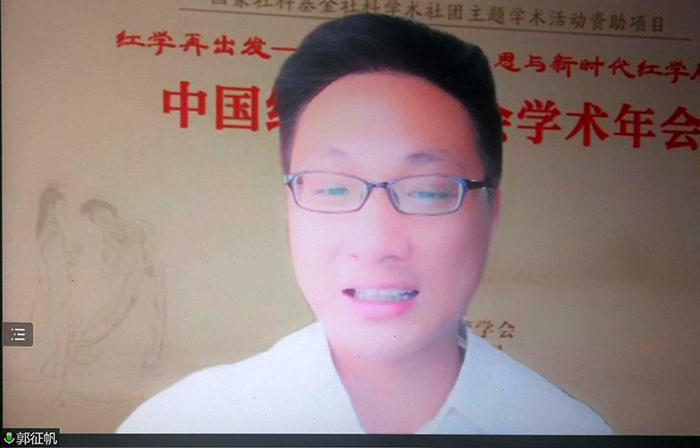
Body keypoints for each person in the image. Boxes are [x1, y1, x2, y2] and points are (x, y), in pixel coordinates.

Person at [118, 14, 612, 434]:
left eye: (426, 190)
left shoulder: (564, 429)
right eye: (334, 188)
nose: (376, 243)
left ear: (491, 211)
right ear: (290, 208)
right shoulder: (182, 423)